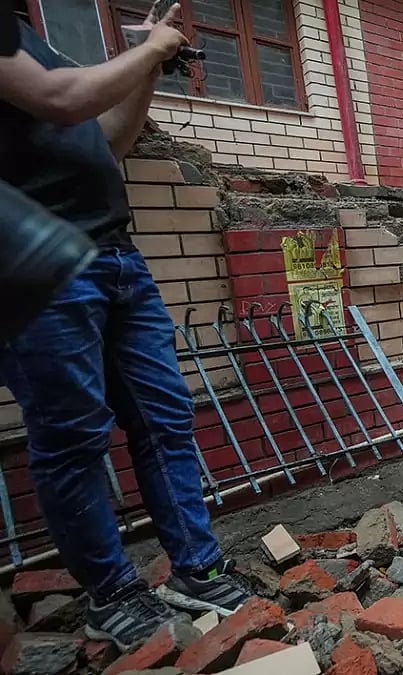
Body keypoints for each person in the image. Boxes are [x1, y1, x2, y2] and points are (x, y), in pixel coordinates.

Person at [0, 2, 251, 651]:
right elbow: (60, 99)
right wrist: (152, 46)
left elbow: (110, 138)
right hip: (42, 265)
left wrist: (150, 68)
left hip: (117, 256)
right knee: (74, 436)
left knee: (166, 418)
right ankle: (110, 592)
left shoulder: (35, 41)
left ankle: (197, 568)